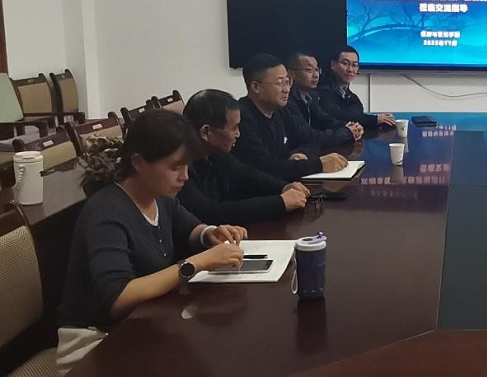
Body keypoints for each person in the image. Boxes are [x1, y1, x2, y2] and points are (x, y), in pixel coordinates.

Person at [57, 109, 247, 375]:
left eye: (186, 166)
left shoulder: (158, 195)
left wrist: (209, 233)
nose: (185, 176)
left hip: (140, 327)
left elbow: (188, 227)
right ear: (138, 163)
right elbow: (118, 297)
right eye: (174, 167)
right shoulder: (106, 211)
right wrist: (195, 264)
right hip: (94, 343)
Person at [177, 89, 313, 224]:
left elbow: (247, 175)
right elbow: (210, 213)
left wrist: (284, 187)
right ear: (206, 132)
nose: (238, 134)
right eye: (234, 128)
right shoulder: (179, 166)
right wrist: (280, 202)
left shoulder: (215, 153)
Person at [231, 54, 349, 182]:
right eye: (279, 83)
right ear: (256, 87)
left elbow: (310, 140)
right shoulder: (241, 118)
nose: (286, 89)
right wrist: (319, 165)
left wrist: (301, 153)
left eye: (287, 82)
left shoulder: (282, 111)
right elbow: (264, 167)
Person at [285, 52, 363, 142]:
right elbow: (307, 135)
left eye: (317, 70)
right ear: (291, 73)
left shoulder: (311, 97)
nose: (316, 75)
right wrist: (347, 132)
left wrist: (350, 127)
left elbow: (326, 120)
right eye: (309, 70)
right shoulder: (287, 100)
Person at [315, 44, 396, 131]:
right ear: (333, 65)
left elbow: (356, 116)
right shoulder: (321, 90)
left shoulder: (351, 96)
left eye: (354, 65)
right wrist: (375, 119)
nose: (350, 69)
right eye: (345, 63)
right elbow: (337, 116)